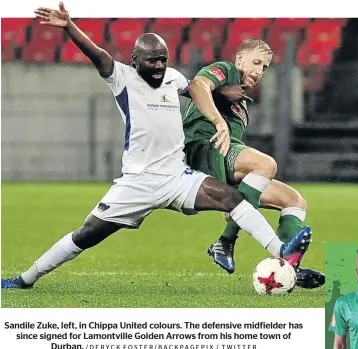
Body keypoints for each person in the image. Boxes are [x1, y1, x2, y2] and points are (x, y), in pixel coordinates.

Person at [1, 2, 310, 289]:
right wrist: (69, 27)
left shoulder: (172, 78)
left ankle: (281, 252)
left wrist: (223, 98)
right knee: (86, 235)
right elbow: (96, 53)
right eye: (152, 60)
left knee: (232, 199)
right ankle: (26, 278)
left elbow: (197, 89)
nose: (159, 65)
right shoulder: (121, 76)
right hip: (137, 182)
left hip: (177, 177)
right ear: (136, 60)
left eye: (163, 58)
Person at [183, 39, 324, 288]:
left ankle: (287, 268)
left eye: (265, 67)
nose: (259, 71)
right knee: (265, 165)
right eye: (256, 62)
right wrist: (219, 118)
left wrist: (239, 200)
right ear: (239, 60)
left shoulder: (243, 104)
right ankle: (225, 241)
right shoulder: (225, 70)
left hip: (225, 159)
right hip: (203, 148)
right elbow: (198, 85)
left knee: (295, 201)